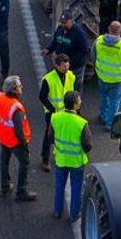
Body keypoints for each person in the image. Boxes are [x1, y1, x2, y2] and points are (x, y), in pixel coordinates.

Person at [50, 90, 92, 220]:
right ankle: (74, 214)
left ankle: (57, 211)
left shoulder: (55, 117)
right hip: (76, 161)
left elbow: (50, 137)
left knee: (59, 186)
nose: (80, 102)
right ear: (74, 104)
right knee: (76, 188)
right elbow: (87, 145)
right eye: (79, 101)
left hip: (60, 159)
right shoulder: (81, 122)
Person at [0, 76, 37, 201]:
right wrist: (24, 144)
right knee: (25, 162)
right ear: (14, 90)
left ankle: (5, 185)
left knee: (4, 161)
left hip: (3, 136)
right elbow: (19, 130)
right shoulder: (16, 107)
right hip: (14, 141)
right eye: (19, 86)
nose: (21, 88)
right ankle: (22, 191)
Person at [93, 21, 121, 127]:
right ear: (120, 30)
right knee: (114, 101)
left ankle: (103, 116)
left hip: (102, 76)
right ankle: (110, 124)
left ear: (109, 29)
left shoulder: (98, 41)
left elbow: (93, 56)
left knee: (104, 97)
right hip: (118, 79)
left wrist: (99, 68)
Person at [37, 53, 75, 170]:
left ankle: (59, 154)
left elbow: (71, 92)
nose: (66, 68)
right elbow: (42, 97)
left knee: (63, 135)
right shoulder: (48, 79)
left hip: (65, 112)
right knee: (49, 136)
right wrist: (52, 109)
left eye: (67, 66)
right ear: (57, 66)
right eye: (64, 66)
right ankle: (45, 159)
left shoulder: (70, 76)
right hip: (52, 113)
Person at [44, 11, 91, 80]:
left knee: (74, 86)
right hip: (61, 65)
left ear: (71, 21)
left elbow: (85, 50)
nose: (63, 25)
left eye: (65, 23)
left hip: (74, 68)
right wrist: (48, 49)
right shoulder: (60, 29)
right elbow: (55, 42)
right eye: (62, 22)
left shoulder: (79, 33)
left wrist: (70, 62)